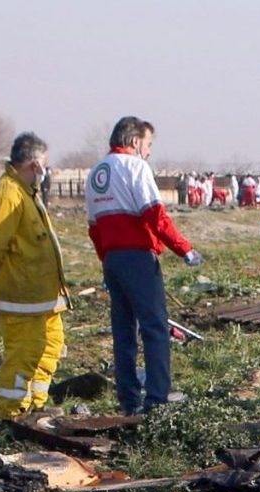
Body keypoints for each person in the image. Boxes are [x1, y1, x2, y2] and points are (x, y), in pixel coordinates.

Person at [86, 116, 201, 413]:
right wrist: (184, 249)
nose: (149, 151)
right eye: (148, 144)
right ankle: (157, 400)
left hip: (113, 259)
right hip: (138, 257)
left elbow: (94, 228)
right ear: (135, 141)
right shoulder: (135, 167)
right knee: (155, 328)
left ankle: (128, 399)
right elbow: (155, 215)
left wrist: (106, 261)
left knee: (123, 330)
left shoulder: (96, 173)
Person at [0, 132, 67, 417]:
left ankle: (36, 407)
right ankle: (11, 415)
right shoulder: (9, 192)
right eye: (45, 164)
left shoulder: (26, 191)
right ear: (35, 163)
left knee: (50, 346)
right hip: (23, 295)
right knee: (24, 353)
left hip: (43, 295)